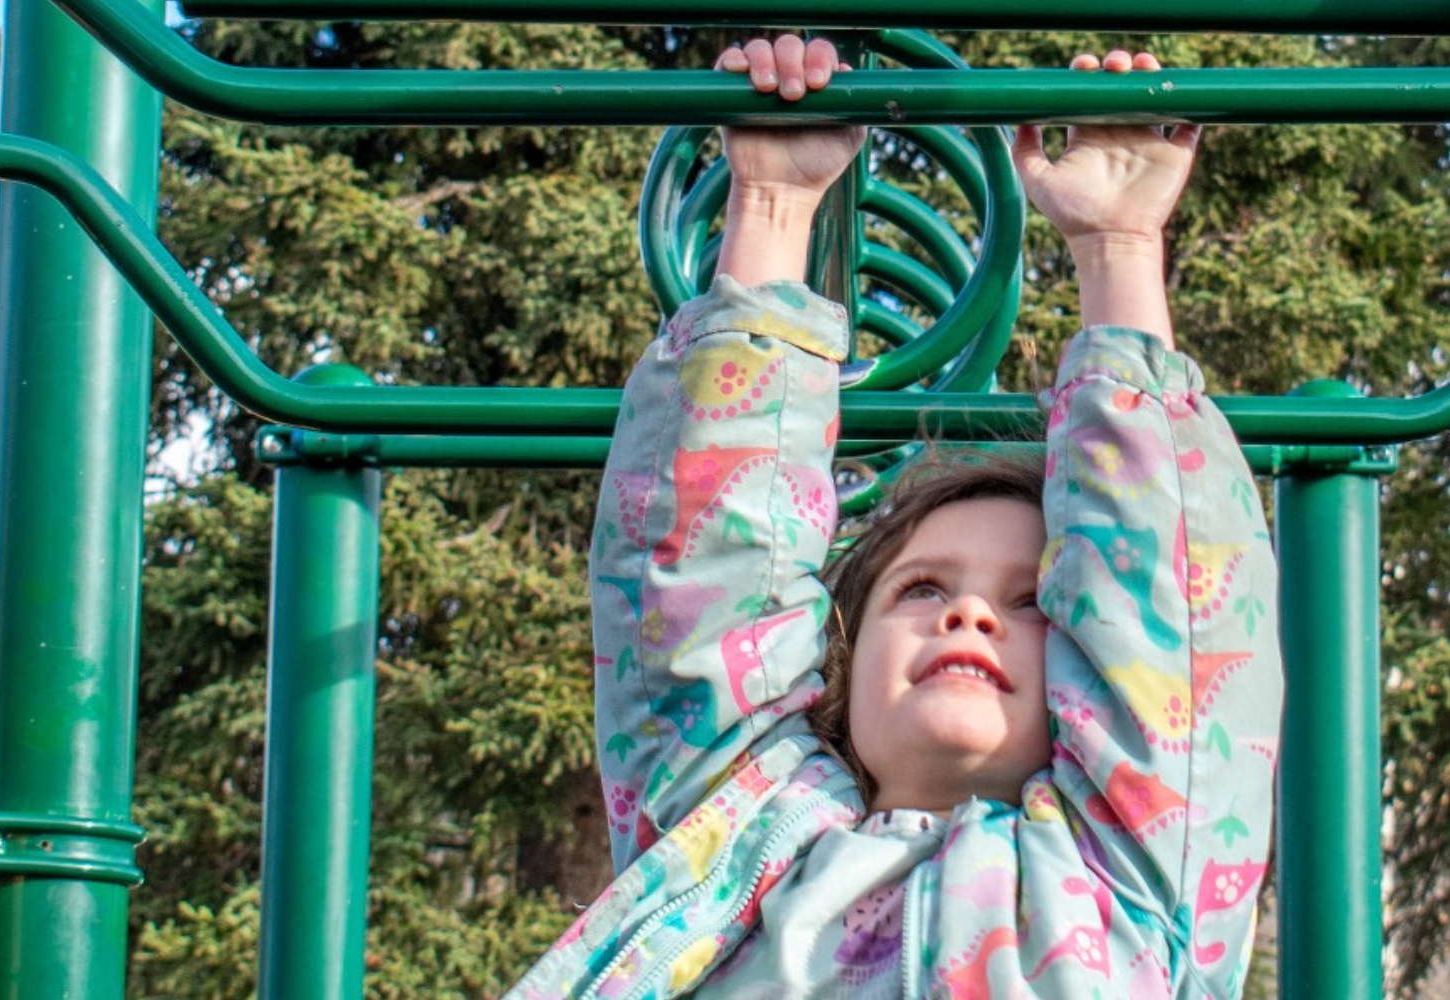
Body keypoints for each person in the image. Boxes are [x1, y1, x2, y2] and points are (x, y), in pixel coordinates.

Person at [505, 36, 1281, 999]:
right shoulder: (739, 838)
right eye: (922, 588)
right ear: (842, 664)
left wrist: (1118, 247)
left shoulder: (1132, 883)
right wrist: (774, 205)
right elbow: (699, 595)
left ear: (1091, 673)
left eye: (1033, 600)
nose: (969, 615)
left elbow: (1178, 636)